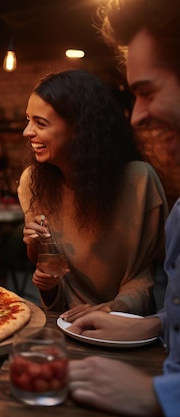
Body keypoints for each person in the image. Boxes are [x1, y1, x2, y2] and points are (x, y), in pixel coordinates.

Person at [66, 1, 180, 416]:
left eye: (147, 92)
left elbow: (141, 276)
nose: (136, 116)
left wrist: (159, 396)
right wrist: (155, 323)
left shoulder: (139, 180)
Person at [18, 69, 167, 319]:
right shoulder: (32, 181)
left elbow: (143, 274)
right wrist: (39, 260)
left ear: (79, 128)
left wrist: (113, 310)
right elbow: (48, 272)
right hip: (66, 323)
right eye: (28, 120)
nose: (27, 132)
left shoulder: (139, 182)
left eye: (40, 123)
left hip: (127, 325)